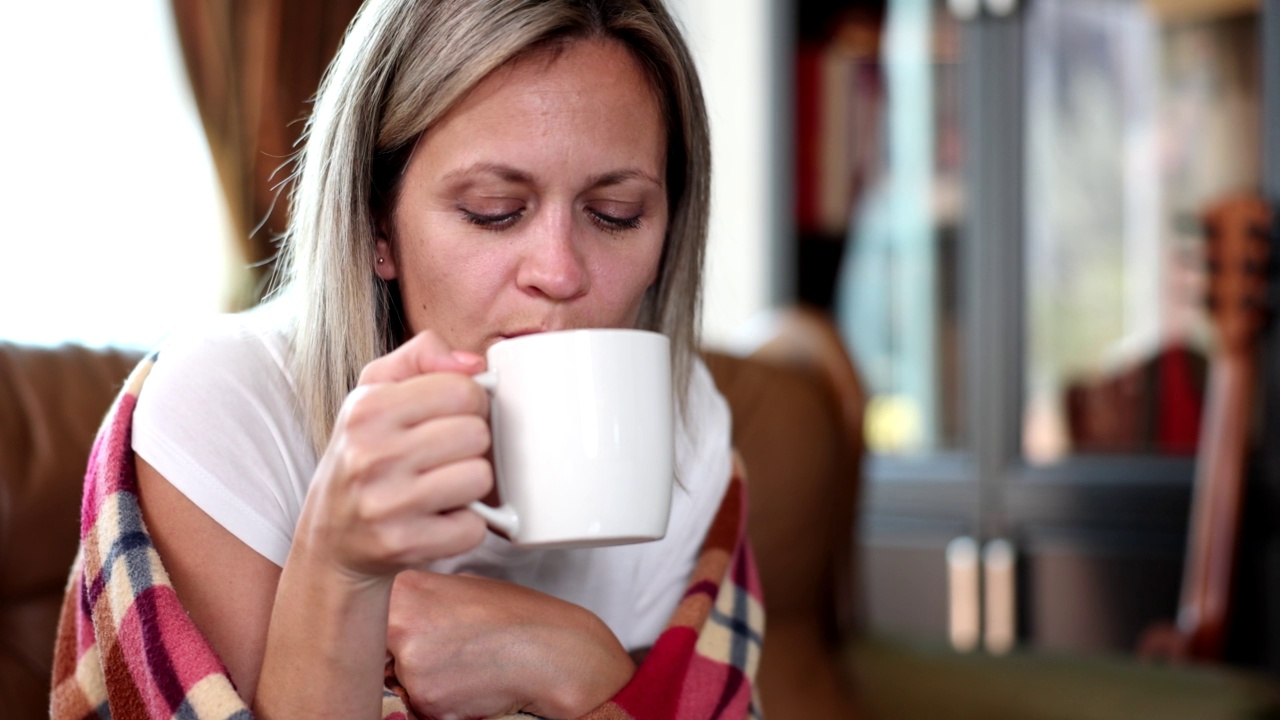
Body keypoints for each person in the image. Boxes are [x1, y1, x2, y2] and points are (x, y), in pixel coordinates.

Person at [127, 0, 733, 718]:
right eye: (493, 209)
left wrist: (579, 659)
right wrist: (337, 569)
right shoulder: (228, 405)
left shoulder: (683, 421)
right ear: (378, 224)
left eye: (616, 215)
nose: (559, 271)